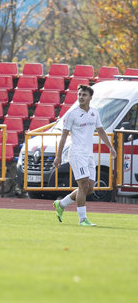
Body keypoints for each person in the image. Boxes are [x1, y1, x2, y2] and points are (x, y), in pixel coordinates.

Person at [53, 85, 116, 226]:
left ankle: (61, 204)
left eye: (84, 95)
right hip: (76, 154)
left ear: (90, 97)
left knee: (89, 189)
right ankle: (82, 219)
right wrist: (58, 156)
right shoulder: (72, 114)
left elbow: (100, 131)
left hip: (89, 156)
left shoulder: (94, 113)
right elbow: (63, 136)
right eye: (79, 94)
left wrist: (111, 147)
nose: (81, 97)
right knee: (83, 185)